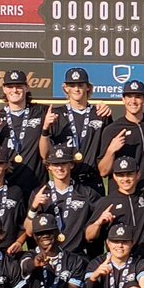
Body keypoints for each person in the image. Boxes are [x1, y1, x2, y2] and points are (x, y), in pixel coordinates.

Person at [39, 67, 113, 195]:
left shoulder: (100, 114)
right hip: (66, 180)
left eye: (80, 85)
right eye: (72, 85)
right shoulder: (56, 115)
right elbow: (45, 154)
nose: (76, 89)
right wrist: (45, 129)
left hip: (92, 180)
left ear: (88, 87)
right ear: (65, 88)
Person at [23, 145, 103, 258]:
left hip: (76, 258)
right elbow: (29, 231)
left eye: (63, 163)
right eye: (55, 164)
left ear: (71, 165)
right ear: (48, 166)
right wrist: (34, 207)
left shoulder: (86, 193)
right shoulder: (39, 193)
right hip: (47, 257)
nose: (60, 168)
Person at [97, 80, 144, 194]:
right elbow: (103, 172)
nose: (133, 101)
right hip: (122, 197)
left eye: (138, 96)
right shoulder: (112, 130)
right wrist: (111, 150)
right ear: (123, 99)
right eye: (129, 96)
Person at [0, 69, 47, 196]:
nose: (14, 90)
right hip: (7, 186)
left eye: (19, 86)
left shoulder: (41, 112)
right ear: (4, 89)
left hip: (36, 184)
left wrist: (99, 105)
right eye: (10, 86)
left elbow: (71, 111)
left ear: (27, 88)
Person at [86, 157, 144, 259]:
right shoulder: (106, 202)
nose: (125, 179)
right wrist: (98, 222)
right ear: (114, 176)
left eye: (129, 174)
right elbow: (89, 236)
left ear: (138, 175)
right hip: (119, 261)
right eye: (121, 175)